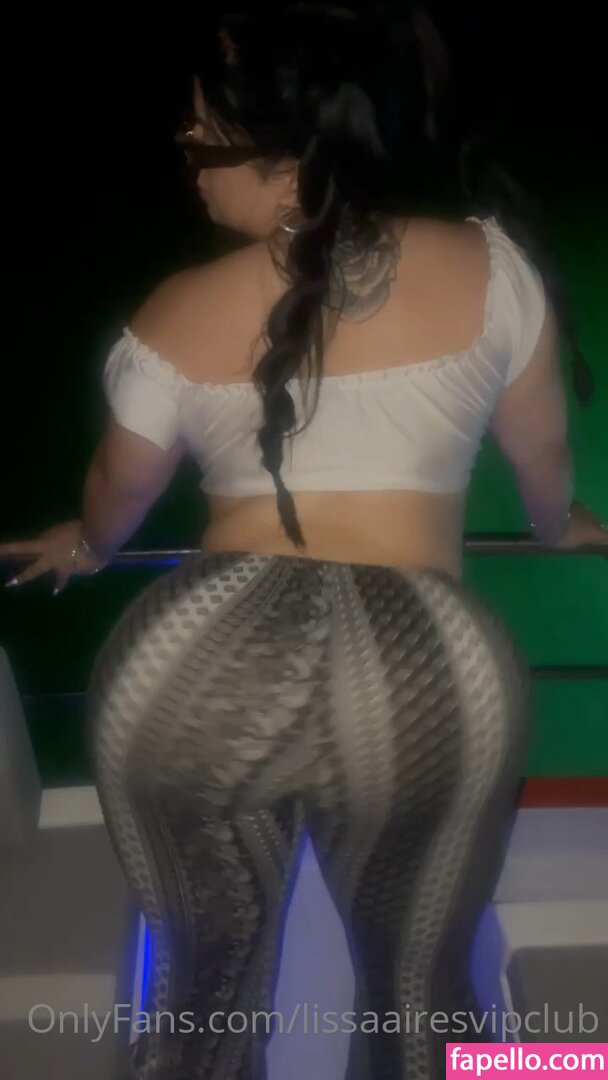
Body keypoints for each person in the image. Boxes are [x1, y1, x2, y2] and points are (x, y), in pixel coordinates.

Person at [1, 3, 607, 1078]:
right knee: (422, 1001)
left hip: (196, 663)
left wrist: (87, 546)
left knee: (198, 1007)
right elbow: (543, 467)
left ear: (290, 167)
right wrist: (561, 530)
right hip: (423, 670)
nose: (186, 161)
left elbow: (116, 496)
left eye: (204, 142)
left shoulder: (175, 308)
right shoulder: (490, 264)